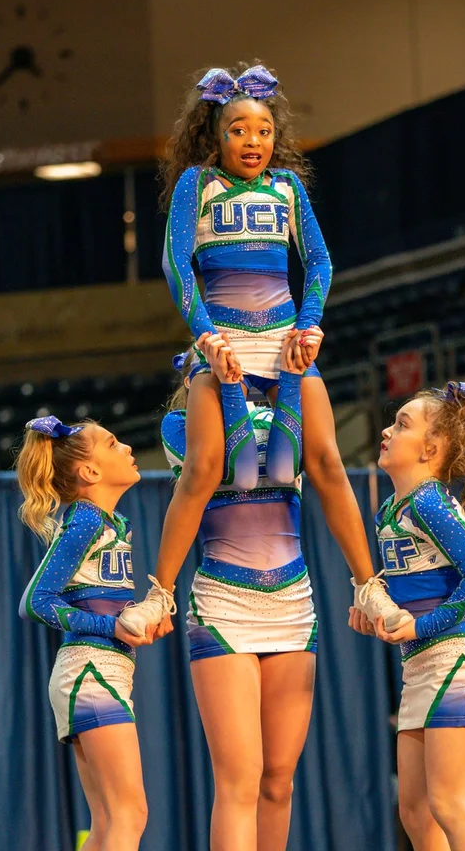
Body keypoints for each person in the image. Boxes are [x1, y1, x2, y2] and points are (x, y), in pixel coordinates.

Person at [138, 62, 410, 639]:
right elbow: (175, 265)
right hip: (223, 344)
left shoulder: (286, 187)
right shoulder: (197, 186)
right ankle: (159, 596)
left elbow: (320, 261)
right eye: (238, 130)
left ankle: (369, 587)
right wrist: (208, 337)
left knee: (326, 462)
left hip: (285, 342)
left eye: (263, 130)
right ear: (215, 135)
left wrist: (309, 326)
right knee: (206, 468)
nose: (252, 141)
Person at [161, 330, 319, 851]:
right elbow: (243, 466)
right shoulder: (178, 427)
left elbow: (289, 462)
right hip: (223, 604)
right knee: (240, 776)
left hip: (292, 603)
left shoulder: (284, 407)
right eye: (205, 366)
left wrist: (293, 376)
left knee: (278, 778)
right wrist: (226, 389)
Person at [352, 382, 465, 851]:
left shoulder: (429, 501)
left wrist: (423, 627)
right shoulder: (391, 510)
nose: (386, 430)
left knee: (450, 805)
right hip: (420, 668)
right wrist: (375, 614)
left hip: (455, 662)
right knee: (415, 812)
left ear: (431, 448)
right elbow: (413, 593)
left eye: (401, 424)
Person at [14, 416, 154, 851]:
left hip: (101, 671)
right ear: (90, 473)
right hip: (90, 672)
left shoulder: (110, 524)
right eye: (114, 443)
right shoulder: (87, 520)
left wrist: (137, 621)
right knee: (129, 813)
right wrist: (110, 627)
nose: (128, 447)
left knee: (108, 824)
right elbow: (35, 601)